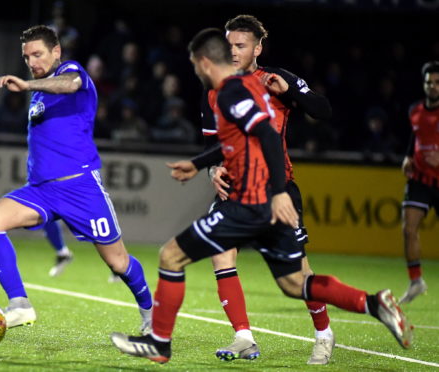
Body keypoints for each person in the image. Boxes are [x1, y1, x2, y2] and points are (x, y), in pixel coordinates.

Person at [109, 27, 412, 364]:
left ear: (206, 62)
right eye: (231, 45)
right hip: (256, 196)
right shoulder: (233, 90)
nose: (233, 52)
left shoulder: (233, 90)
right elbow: (230, 143)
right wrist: (201, 166)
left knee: (170, 257)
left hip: (253, 200)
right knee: (294, 283)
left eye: (197, 65)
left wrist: (280, 192)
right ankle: (372, 303)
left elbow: (267, 134)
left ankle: (160, 343)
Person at [0, 25, 153, 332]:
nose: (32, 61)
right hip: (41, 191)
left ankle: (151, 315)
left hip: (80, 188)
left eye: (38, 54)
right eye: (26, 57)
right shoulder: (38, 94)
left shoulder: (70, 72)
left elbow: (70, 84)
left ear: (56, 52)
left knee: (118, 262)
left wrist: (29, 83)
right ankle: (19, 304)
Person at [200, 15, 335, 364]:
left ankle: (323, 333)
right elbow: (213, 146)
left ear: (258, 48)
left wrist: (289, 92)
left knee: (298, 273)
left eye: (240, 46)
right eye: (227, 45)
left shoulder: (276, 79)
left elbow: (323, 109)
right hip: (235, 190)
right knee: (220, 251)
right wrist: (213, 170)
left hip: (277, 189)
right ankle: (243, 336)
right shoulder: (214, 87)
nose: (231, 52)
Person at [400, 60, 439, 304]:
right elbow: (414, 136)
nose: (433, 86)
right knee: (408, 227)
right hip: (419, 179)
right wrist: (407, 157)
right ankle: (416, 281)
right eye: (429, 82)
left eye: (437, 82)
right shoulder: (415, 110)